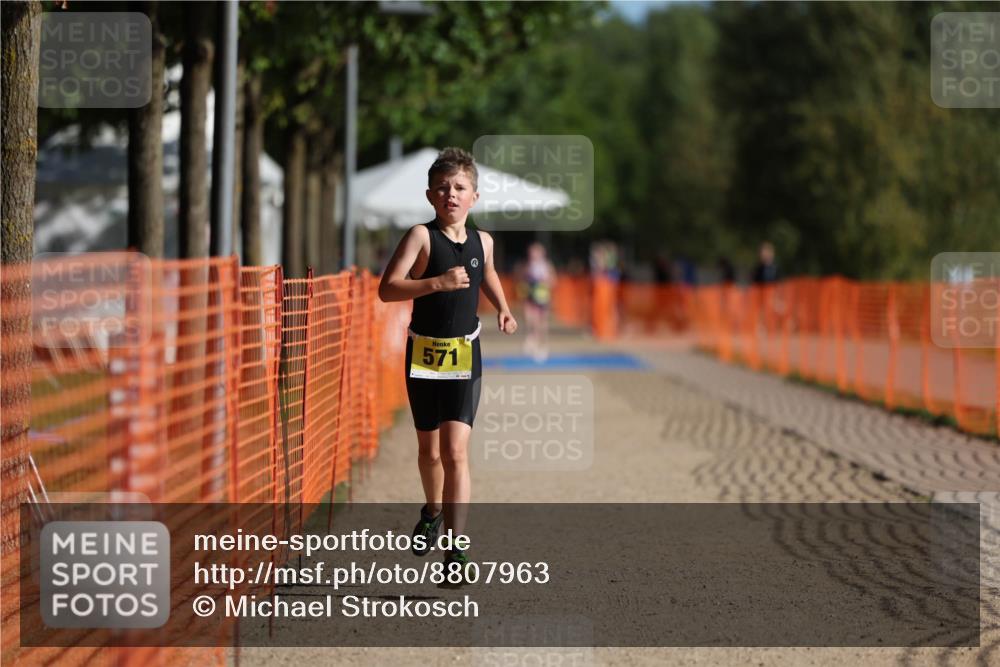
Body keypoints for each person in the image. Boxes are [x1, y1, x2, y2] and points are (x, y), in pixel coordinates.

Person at [377, 147, 517, 584]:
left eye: (459, 187)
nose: (450, 194)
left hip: (465, 352)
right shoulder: (420, 237)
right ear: (429, 196)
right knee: (429, 452)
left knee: (456, 451)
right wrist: (436, 282)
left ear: (474, 196)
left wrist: (503, 307)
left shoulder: (483, 241)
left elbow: (487, 272)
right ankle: (432, 510)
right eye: (442, 188)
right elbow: (387, 288)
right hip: (424, 354)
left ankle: (456, 551)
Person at [519, 242, 556, 362]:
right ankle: (532, 339)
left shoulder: (546, 265)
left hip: (542, 297)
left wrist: (544, 281)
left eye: (535, 252)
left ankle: (542, 345)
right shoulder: (528, 265)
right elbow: (522, 279)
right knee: (530, 319)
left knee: (542, 323)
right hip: (531, 296)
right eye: (531, 253)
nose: (532, 255)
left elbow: (553, 280)